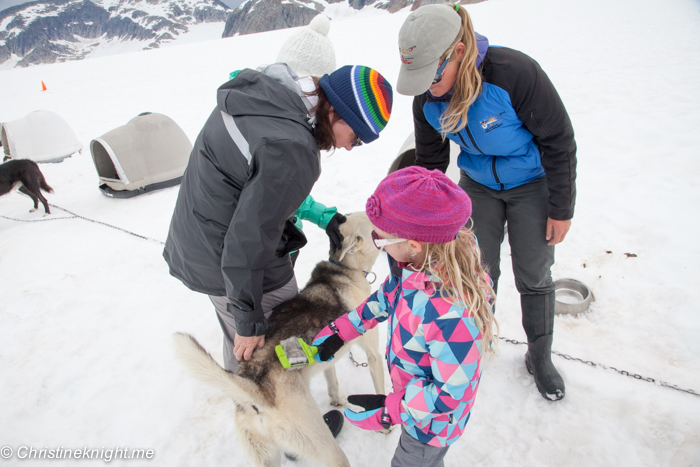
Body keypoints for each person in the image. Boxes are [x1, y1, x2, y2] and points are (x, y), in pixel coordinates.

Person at [396, 3, 577, 401]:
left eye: (431, 73)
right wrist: (418, 223)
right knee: (477, 272)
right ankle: (470, 352)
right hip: (476, 185)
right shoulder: (427, 102)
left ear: (457, 52)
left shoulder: (514, 75)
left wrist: (561, 209)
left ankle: (539, 357)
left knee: (533, 271)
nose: (427, 85)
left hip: (532, 183)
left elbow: (558, 140)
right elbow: (431, 166)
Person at [163, 63, 393, 374]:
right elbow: (250, 236)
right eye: (357, 137)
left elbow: (252, 185)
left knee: (242, 346)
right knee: (275, 355)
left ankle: (249, 410)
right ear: (336, 113)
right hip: (227, 257)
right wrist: (248, 318)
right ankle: (280, 418)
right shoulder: (292, 148)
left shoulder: (262, 96)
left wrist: (319, 215)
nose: (349, 147)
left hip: (200, 241)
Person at [312, 166, 497, 467]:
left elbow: (451, 393)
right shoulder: (414, 265)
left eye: (381, 240)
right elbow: (390, 295)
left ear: (413, 245)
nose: (377, 243)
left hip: (430, 426)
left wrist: (392, 409)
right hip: (414, 406)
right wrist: (343, 329)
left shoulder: (450, 314)